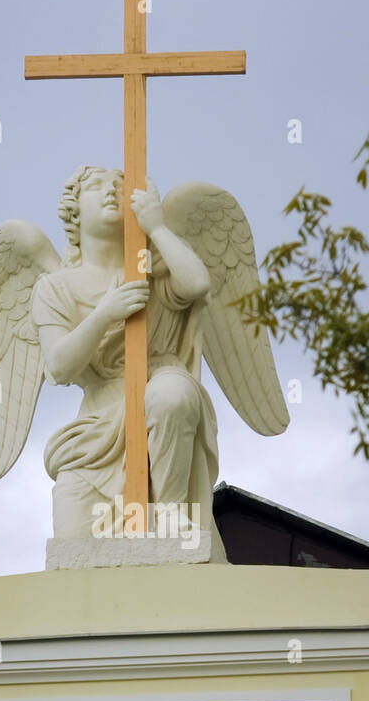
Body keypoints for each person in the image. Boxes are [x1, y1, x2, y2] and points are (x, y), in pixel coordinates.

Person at [30, 164, 225, 555]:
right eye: (97, 186)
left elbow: (198, 285)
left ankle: (169, 514)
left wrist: (157, 228)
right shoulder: (54, 288)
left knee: (171, 395)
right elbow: (58, 367)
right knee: (74, 551)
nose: (111, 192)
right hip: (97, 431)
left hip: (160, 383)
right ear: (74, 210)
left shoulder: (151, 269)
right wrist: (106, 312)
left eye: (121, 186)